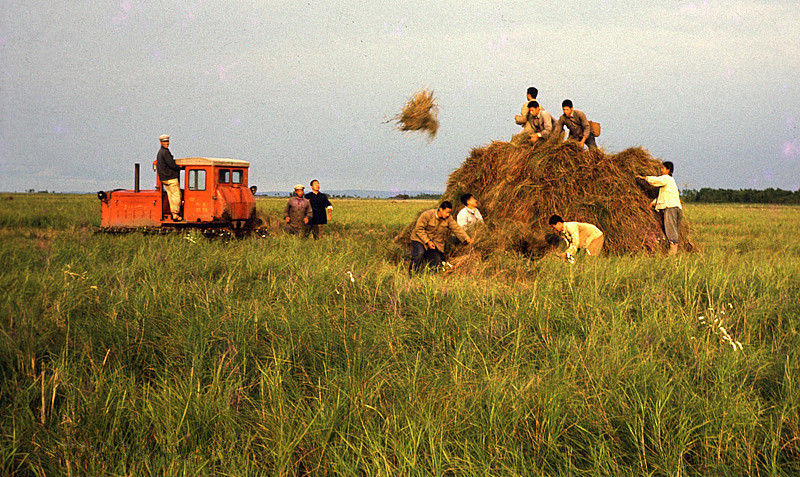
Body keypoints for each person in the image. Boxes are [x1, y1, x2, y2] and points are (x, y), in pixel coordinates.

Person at [409, 201, 473, 274]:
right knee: (419, 253)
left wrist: (466, 238)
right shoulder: (427, 215)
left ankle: (431, 276)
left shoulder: (449, 218)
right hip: (419, 239)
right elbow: (419, 229)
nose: (448, 214)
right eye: (447, 212)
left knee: (436, 261)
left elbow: (457, 228)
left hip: (434, 243)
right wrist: (427, 241)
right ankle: (413, 274)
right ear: (440, 209)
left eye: (449, 213)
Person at [637, 161, 683, 255]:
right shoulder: (671, 182)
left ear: (668, 170)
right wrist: (653, 203)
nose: (661, 170)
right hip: (676, 208)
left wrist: (645, 178)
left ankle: (673, 252)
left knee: (670, 228)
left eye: (663, 168)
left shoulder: (666, 178)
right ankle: (673, 249)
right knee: (674, 228)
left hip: (670, 208)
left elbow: (656, 181)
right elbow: (663, 196)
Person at [156, 134, 182, 221]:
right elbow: (171, 164)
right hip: (170, 177)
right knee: (176, 196)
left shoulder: (160, 153)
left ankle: (173, 213)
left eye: (167, 141)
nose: (166, 143)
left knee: (170, 196)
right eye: (165, 142)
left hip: (164, 178)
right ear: (161, 142)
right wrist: (179, 168)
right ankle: (175, 214)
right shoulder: (165, 152)